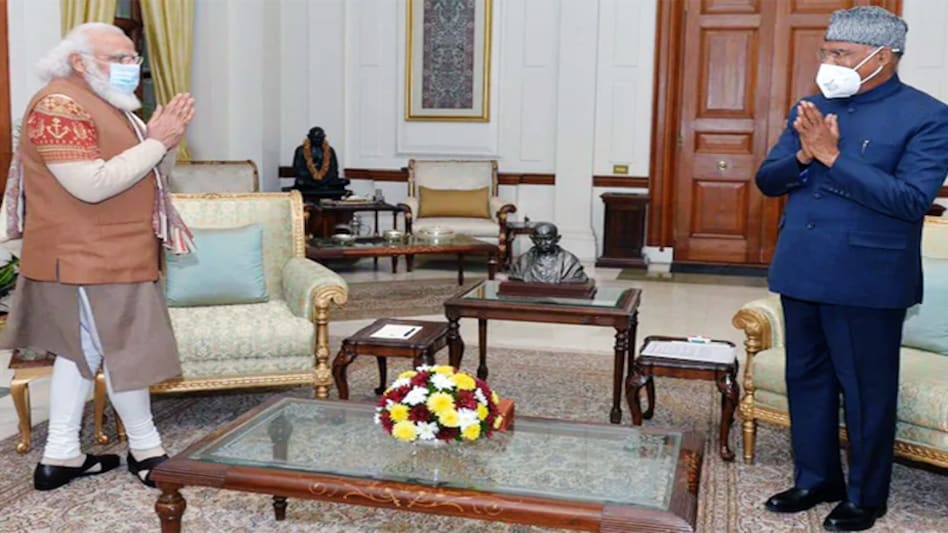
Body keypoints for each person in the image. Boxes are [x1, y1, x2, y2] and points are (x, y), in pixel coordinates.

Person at [755, 6, 948, 531]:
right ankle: (816, 478)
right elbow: (768, 180)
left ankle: (866, 496)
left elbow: (910, 200)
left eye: (841, 53)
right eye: (826, 52)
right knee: (806, 379)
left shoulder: (928, 116)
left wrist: (833, 157)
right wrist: (802, 157)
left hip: (867, 279)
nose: (829, 62)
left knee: (866, 391)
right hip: (801, 267)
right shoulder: (812, 106)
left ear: (882, 58)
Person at [0, 22, 196, 490]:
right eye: (119, 58)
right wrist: (157, 139)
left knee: (82, 351)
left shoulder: (110, 103)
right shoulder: (59, 104)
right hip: (87, 255)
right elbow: (91, 185)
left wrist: (163, 140)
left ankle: (61, 456)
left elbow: (150, 173)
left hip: (111, 251)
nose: (132, 67)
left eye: (134, 58)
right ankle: (147, 452)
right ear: (79, 61)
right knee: (124, 350)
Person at [508, 222, 588, 284]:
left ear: (557, 239)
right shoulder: (523, 260)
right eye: (539, 239)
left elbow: (577, 279)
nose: (543, 243)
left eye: (547, 239)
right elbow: (515, 276)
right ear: (533, 239)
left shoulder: (569, 260)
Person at [291, 126, 349, 197]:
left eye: (320, 138)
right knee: (300, 182)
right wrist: (313, 177)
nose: (317, 140)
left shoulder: (330, 150)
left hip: (326, 180)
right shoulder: (300, 150)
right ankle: (318, 186)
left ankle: (321, 186)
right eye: (315, 138)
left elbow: (334, 168)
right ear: (309, 137)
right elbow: (297, 169)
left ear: (324, 137)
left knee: (344, 181)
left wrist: (324, 179)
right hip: (309, 180)